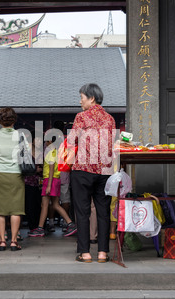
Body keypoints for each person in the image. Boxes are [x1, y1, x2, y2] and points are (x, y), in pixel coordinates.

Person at [69, 83, 116, 263]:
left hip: (83, 170)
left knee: (82, 211)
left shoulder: (81, 117)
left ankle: (85, 253)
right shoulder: (110, 119)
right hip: (105, 171)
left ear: (92, 98)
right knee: (103, 211)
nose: (80, 101)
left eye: (82, 97)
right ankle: (103, 253)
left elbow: (72, 140)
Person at [0, 107, 25, 251]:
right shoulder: (20, 135)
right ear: (14, 120)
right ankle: (14, 241)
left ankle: (2, 241)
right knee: (16, 209)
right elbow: (25, 152)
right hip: (16, 174)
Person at [27, 134, 77, 237]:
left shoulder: (50, 152)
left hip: (50, 180)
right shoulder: (56, 151)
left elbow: (50, 169)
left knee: (45, 204)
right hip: (55, 180)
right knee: (54, 205)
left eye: (46, 141)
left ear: (50, 141)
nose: (44, 143)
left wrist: (49, 184)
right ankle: (70, 224)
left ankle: (41, 228)